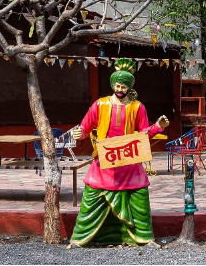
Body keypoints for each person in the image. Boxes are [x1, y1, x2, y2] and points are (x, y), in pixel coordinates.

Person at [68, 58, 169, 248]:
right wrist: (79, 133)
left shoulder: (138, 107)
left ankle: (143, 238)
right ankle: (80, 238)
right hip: (104, 160)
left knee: (139, 195)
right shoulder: (100, 105)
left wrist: (157, 127)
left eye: (123, 86)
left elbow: (142, 134)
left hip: (129, 160)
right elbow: (85, 128)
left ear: (129, 87)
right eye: (116, 84)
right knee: (92, 196)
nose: (119, 88)